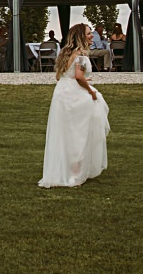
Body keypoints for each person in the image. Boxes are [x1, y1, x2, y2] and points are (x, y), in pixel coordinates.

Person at [39, 23, 110, 188]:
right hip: (74, 96)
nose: (92, 36)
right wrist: (91, 92)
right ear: (81, 37)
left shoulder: (66, 54)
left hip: (62, 94)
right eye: (89, 33)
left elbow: (60, 77)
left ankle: (66, 170)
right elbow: (78, 76)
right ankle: (76, 174)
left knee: (66, 134)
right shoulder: (81, 56)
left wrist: (82, 80)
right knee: (80, 134)